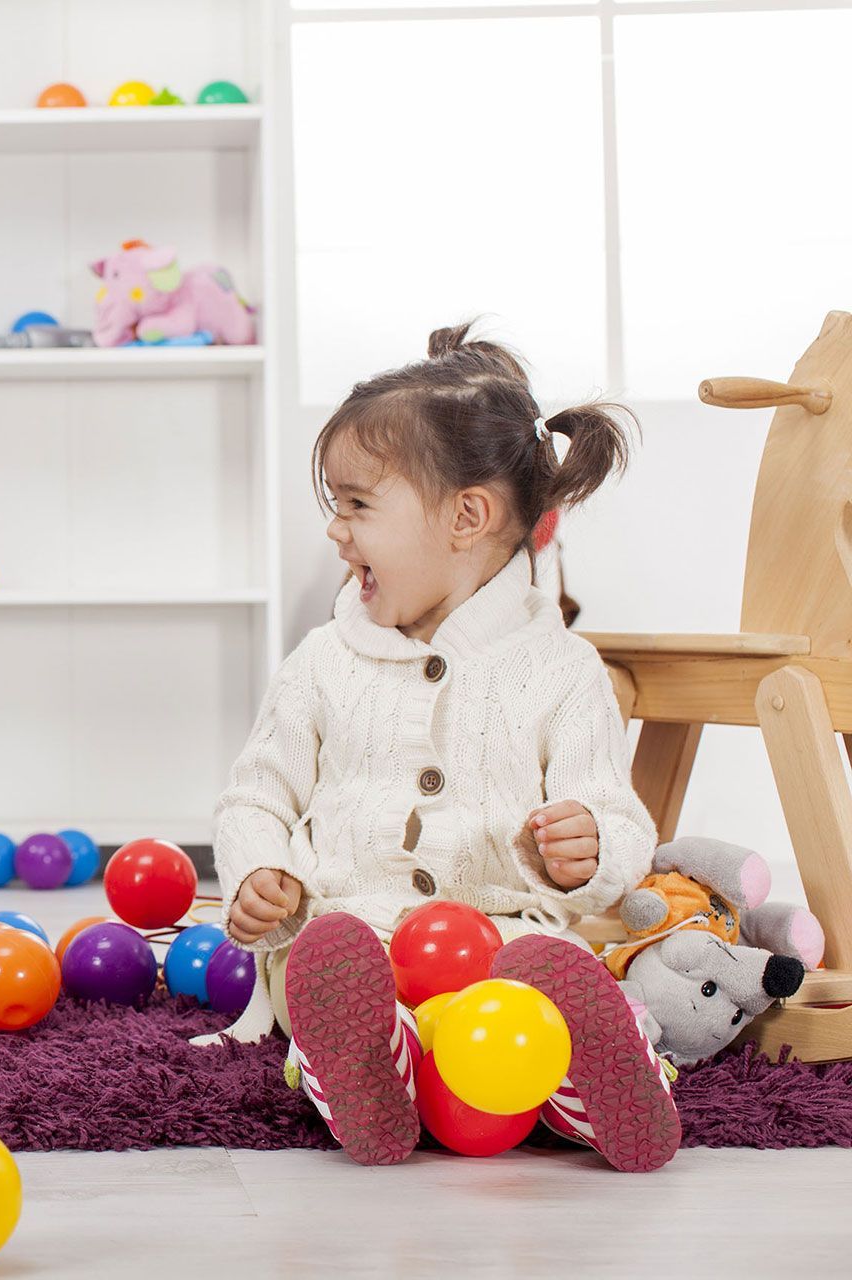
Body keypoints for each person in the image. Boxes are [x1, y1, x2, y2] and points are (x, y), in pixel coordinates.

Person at [212, 324, 677, 1171]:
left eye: (357, 505)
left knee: (544, 992)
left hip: (506, 945)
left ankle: (595, 1091)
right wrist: (257, 873)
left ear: (467, 516)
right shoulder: (324, 660)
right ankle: (369, 1066)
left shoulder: (563, 670)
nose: (335, 531)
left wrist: (591, 847)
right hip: (352, 936)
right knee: (326, 980)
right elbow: (258, 795)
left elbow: (617, 813)